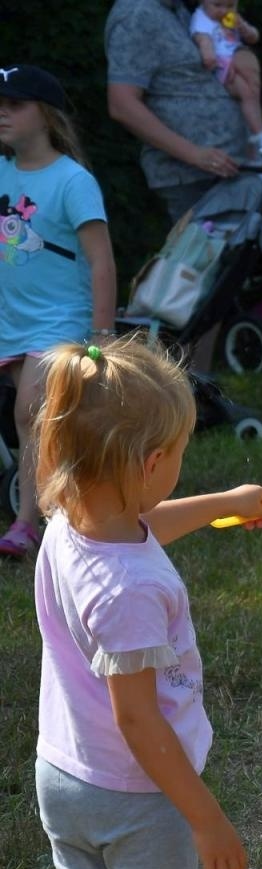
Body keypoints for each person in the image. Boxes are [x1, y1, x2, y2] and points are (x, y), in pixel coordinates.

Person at [32, 338, 262, 869]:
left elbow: (147, 526)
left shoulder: (69, 524)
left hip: (64, 779)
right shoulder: (131, 592)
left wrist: (224, 505)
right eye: (175, 454)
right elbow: (137, 720)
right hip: (138, 798)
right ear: (148, 465)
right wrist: (205, 820)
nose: (178, 468)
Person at [0, 67, 116, 561]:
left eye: (15, 104)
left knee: (28, 411)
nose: (2, 113)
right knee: (39, 420)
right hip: (9, 320)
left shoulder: (73, 180)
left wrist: (102, 336)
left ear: (45, 115)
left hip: (59, 321)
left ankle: (27, 524)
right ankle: (62, 502)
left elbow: (101, 262)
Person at [105, 0, 253, 223]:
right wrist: (195, 154)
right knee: (203, 256)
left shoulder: (178, 10)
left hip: (228, 168)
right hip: (192, 178)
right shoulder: (135, 15)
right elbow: (122, 105)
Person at [188, 0, 262, 157]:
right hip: (223, 66)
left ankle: (259, 135)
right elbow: (204, 43)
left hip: (237, 56)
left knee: (251, 88)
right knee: (247, 92)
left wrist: (244, 29)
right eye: (217, 5)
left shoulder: (234, 18)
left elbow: (254, 37)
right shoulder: (201, 20)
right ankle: (260, 134)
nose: (224, 10)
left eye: (230, 6)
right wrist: (210, 55)